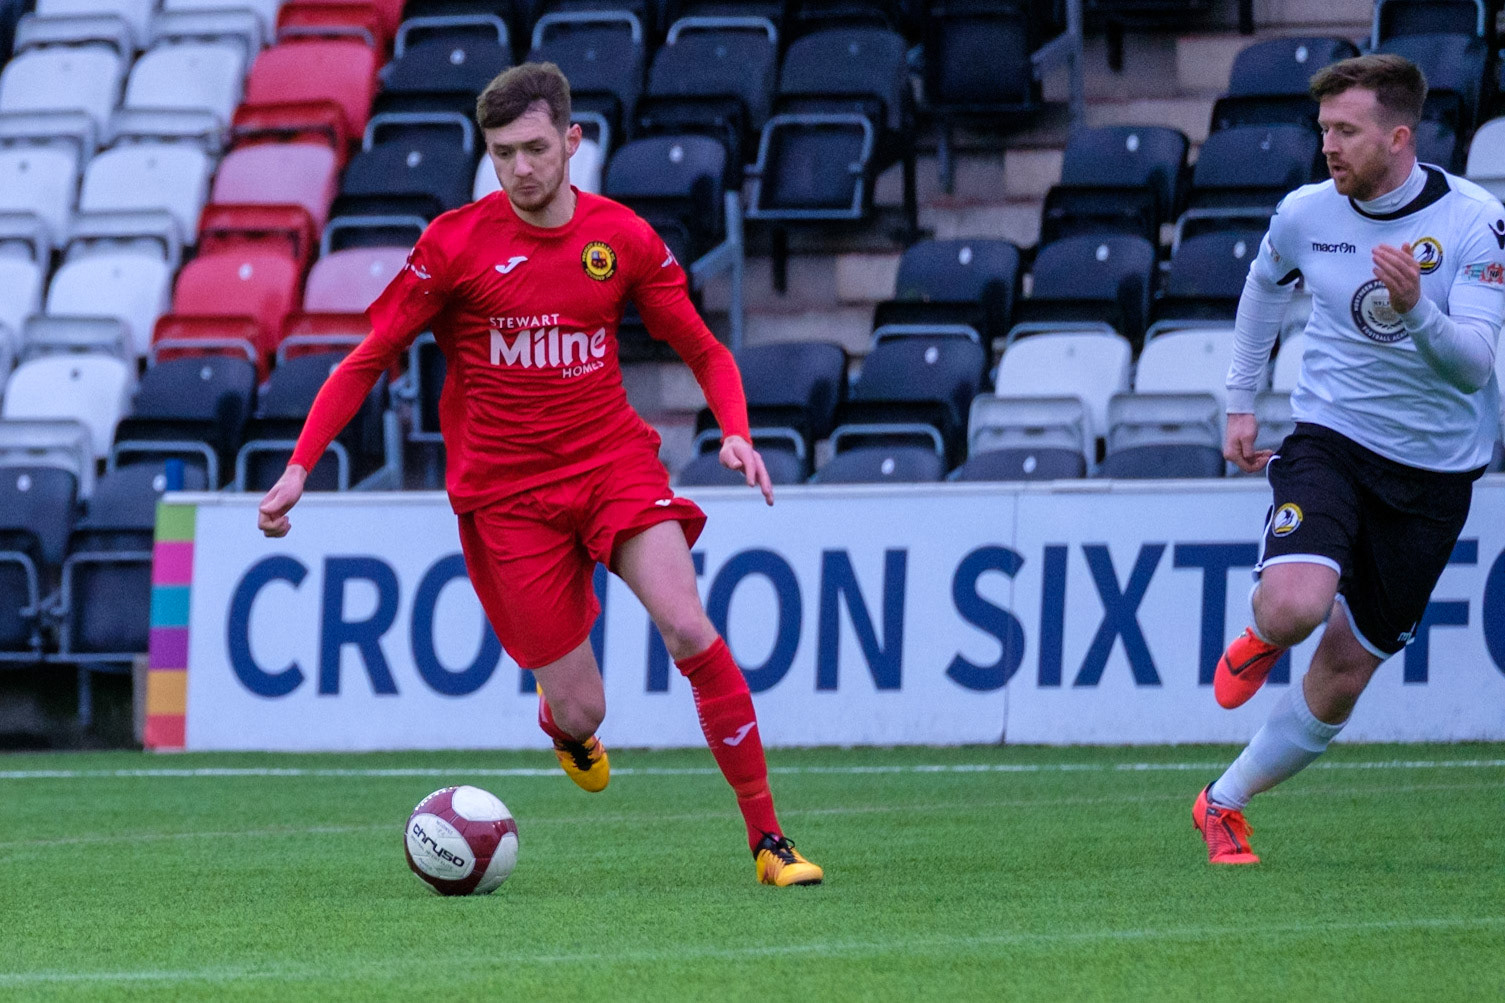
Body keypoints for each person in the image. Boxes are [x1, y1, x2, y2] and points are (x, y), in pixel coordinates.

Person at [257, 62, 823, 887]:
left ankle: (769, 842)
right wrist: (299, 466)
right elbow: (369, 357)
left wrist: (734, 430)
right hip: (507, 498)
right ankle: (563, 726)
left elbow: (703, 348)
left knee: (687, 627)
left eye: (533, 148)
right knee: (584, 708)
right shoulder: (453, 244)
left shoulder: (620, 238)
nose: (519, 168)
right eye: (501, 153)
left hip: (611, 464)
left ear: (571, 140)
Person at [1193, 54, 1504, 864]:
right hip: (1332, 437)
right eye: (1323, 128)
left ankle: (1221, 801)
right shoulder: (1305, 212)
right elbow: (1262, 287)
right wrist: (1239, 400)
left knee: (1339, 677)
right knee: (1294, 606)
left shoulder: (1475, 221)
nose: (1327, 145)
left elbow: (1472, 364)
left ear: (1398, 137)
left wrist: (1414, 308)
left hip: (1435, 473)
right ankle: (1264, 629)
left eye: (1345, 130)